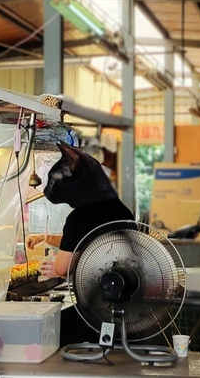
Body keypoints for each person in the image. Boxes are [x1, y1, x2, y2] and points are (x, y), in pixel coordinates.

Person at [25, 141, 134, 346]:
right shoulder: (121, 210)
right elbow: (88, 240)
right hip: (127, 303)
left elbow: (62, 267)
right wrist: (47, 238)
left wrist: (55, 265)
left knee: (90, 349)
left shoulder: (79, 217)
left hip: (95, 304)